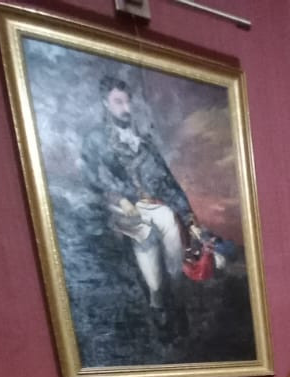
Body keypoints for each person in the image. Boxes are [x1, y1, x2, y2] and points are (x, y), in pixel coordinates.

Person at [80, 76, 202, 339]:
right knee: (144, 234)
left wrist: (189, 216)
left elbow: (167, 181)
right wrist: (118, 199)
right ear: (106, 103)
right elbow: (93, 178)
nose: (126, 108)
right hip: (121, 207)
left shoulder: (144, 142)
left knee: (171, 225)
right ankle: (157, 301)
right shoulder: (96, 140)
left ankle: (176, 296)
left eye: (127, 102)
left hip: (153, 204)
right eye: (118, 102)